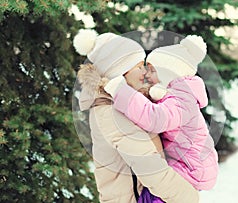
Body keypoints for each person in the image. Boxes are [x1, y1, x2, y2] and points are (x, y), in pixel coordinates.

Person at [73, 29, 200, 203]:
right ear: (121, 73)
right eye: (139, 66)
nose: (145, 72)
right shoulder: (110, 112)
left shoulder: (128, 104)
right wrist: (188, 197)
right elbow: (149, 167)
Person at [104, 35, 219, 202]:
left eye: (152, 70)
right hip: (190, 163)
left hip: (193, 168)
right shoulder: (178, 94)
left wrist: (120, 90)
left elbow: (155, 118)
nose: (146, 75)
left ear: (168, 72)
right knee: (151, 190)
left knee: (155, 193)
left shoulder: (182, 99)